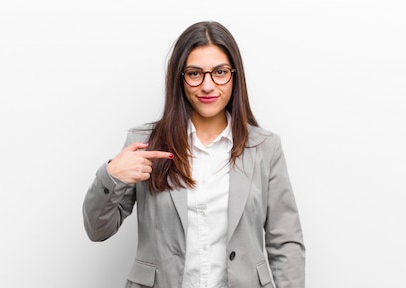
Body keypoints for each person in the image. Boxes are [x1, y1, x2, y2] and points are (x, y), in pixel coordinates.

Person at [83, 21, 305, 288]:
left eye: (220, 72)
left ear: (235, 76)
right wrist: (111, 176)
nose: (208, 86)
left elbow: (286, 242)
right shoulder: (145, 143)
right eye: (195, 73)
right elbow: (97, 230)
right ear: (180, 78)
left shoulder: (265, 148)